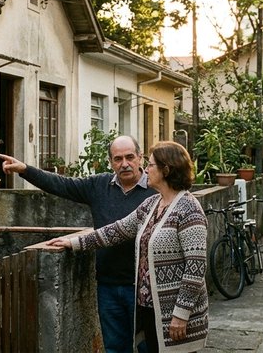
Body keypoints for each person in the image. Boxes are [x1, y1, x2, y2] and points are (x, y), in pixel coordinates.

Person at [47, 140, 208, 352]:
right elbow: (116, 231)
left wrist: (181, 313)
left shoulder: (189, 208)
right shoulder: (152, 204)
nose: (146, 170)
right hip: (149, 308)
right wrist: (74, 242)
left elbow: (196, 267)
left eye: (150, 165)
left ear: (166, 170)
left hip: (173, 310)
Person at [0, 136, 153, 353]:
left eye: (130, 157)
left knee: (149, 347)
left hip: (145, 287)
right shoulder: (99, 185)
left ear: (140, 158)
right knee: (115, 348)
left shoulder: (155, 189)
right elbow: (62, 185)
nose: (124, 164)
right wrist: (25, 170)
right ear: (110, 162)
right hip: (108, 285)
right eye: (118, 159)